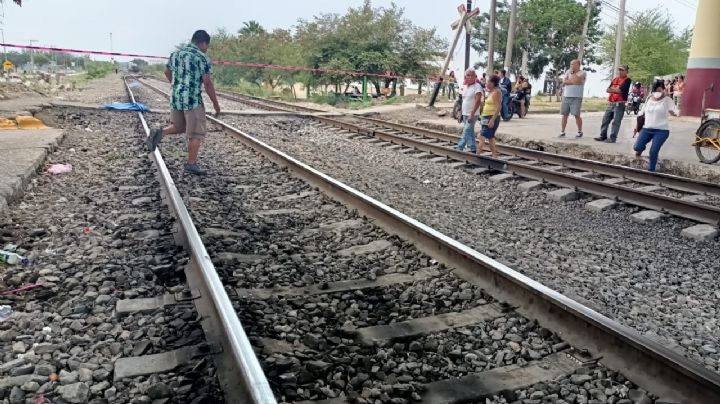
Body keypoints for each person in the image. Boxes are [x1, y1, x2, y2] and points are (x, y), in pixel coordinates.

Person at [146, 30, 221, 175]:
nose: (207, 48)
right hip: (192, 100)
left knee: (179, 126)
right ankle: (191, 164)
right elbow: (207, 83)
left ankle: (159, 132)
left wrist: (178, 86)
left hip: (176, 98)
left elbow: (167, 72)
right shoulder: (202, 57)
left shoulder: (176, 54)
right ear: (203, 43)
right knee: (196, 133)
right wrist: (216, 105)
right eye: (207, 45)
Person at [633, 80, 677, 172]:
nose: (657, 93)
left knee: (653, 151)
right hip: (647, 128)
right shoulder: (649, 98)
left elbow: (674, 112)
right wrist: (636, 127)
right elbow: (641, 113)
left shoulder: (667, 100)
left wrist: (673, 112)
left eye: (660, 90)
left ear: (664, 90)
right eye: (655, 90)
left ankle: (651, 171)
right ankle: (640, 150)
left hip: (661, 130)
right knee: (637, 147)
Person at [594, 64, 632, 143]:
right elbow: (607, 90)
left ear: (626, 71)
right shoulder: (615, 79)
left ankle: (612, 138)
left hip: (619, 104)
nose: (620, 72)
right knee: (605, 120)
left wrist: (613, 89)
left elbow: (620, 90)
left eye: (622, 70)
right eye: (619, 70)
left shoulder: (627, 80)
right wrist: (615, 89)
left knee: (616, 122)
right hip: (611, 103)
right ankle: (603, 136)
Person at [455, 68, 484, 153]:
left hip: (473, 114)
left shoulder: (477, 87)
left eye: (472, 75)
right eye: (468, 75)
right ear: (465, 76)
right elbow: (464, 101)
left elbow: (478, 101)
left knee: (466, 130)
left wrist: (472, 114)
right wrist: (460, 112)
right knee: (470, 131)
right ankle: (473, 147)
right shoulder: (465, 86)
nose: (470, 77)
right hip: (464, 113)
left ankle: (460, 147)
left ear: (475, 76)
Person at [559, 59, 586, 138]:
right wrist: (572, 80)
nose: (571, 66)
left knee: (576, 115)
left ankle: (580, 131)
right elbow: (564, 81)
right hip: (566, 96)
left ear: (578, 65)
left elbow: (578, 81)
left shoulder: (583, 73)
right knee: (564, 114)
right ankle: (562, 131)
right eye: (571, 64)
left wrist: (573, 74)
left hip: (576, 97)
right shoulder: (568, 71)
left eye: (573, 64)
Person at [479, 75, 501, 157]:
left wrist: (492, 119)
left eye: (488, 81)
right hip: (486, 116)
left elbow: (498, 107)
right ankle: (494, 156)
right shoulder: (491, 92)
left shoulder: (496, 92)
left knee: (481, 136)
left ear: (492, 83)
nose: (486, 83)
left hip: (490, 117)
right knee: (490, 137)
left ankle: (478, 154)